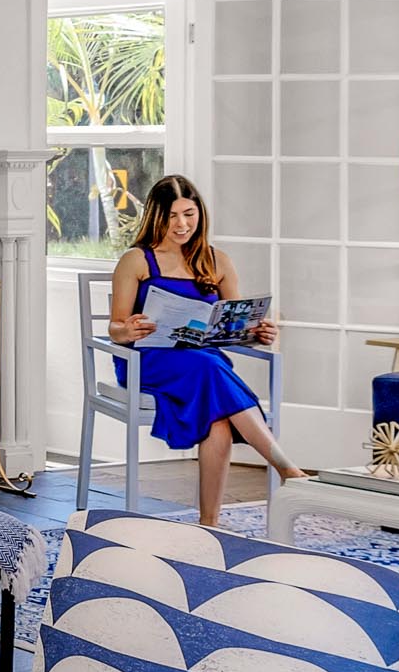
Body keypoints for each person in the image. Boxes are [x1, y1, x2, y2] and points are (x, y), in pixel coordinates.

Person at [105, 173, 302, 525]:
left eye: (189, 214)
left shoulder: (217, 261)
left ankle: (209, 524)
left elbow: (234, 326)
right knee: (210, 369)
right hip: (150, 361)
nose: (182, 225)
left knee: (219, 421)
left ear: (200, 214)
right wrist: (129, 327)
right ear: (156, 216)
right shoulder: (136, 260)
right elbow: (116, 329)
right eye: (172, 216)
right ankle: (287, 468)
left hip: (203, 362)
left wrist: (258, 333)